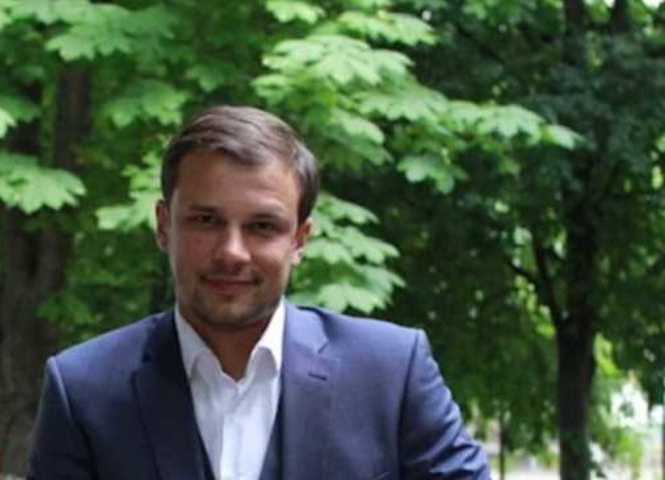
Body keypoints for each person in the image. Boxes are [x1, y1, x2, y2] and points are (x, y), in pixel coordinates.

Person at [27, 106, 490, 480]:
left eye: (262, 226)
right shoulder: (83, 390)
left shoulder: (392, 372)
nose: (232, 252)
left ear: (299, 240)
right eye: (206, 220)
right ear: (164, 227)